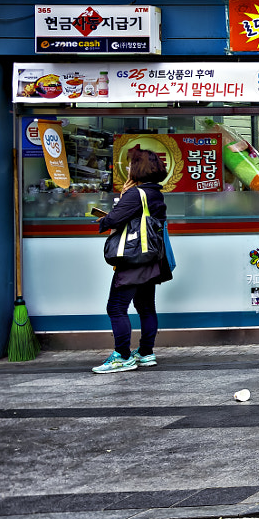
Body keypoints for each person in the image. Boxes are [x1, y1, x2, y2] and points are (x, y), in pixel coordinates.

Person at [92, 146, 174, 374]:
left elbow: (113, 220)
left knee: (116, 307)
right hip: (151, 258)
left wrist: (106, 215)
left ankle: (122, 356)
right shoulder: (155, 192)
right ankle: (146, 352)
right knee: (146, 306)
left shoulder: (136, 194)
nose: (127, 168)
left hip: (133, 259)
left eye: (130, 165)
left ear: (138, 168)